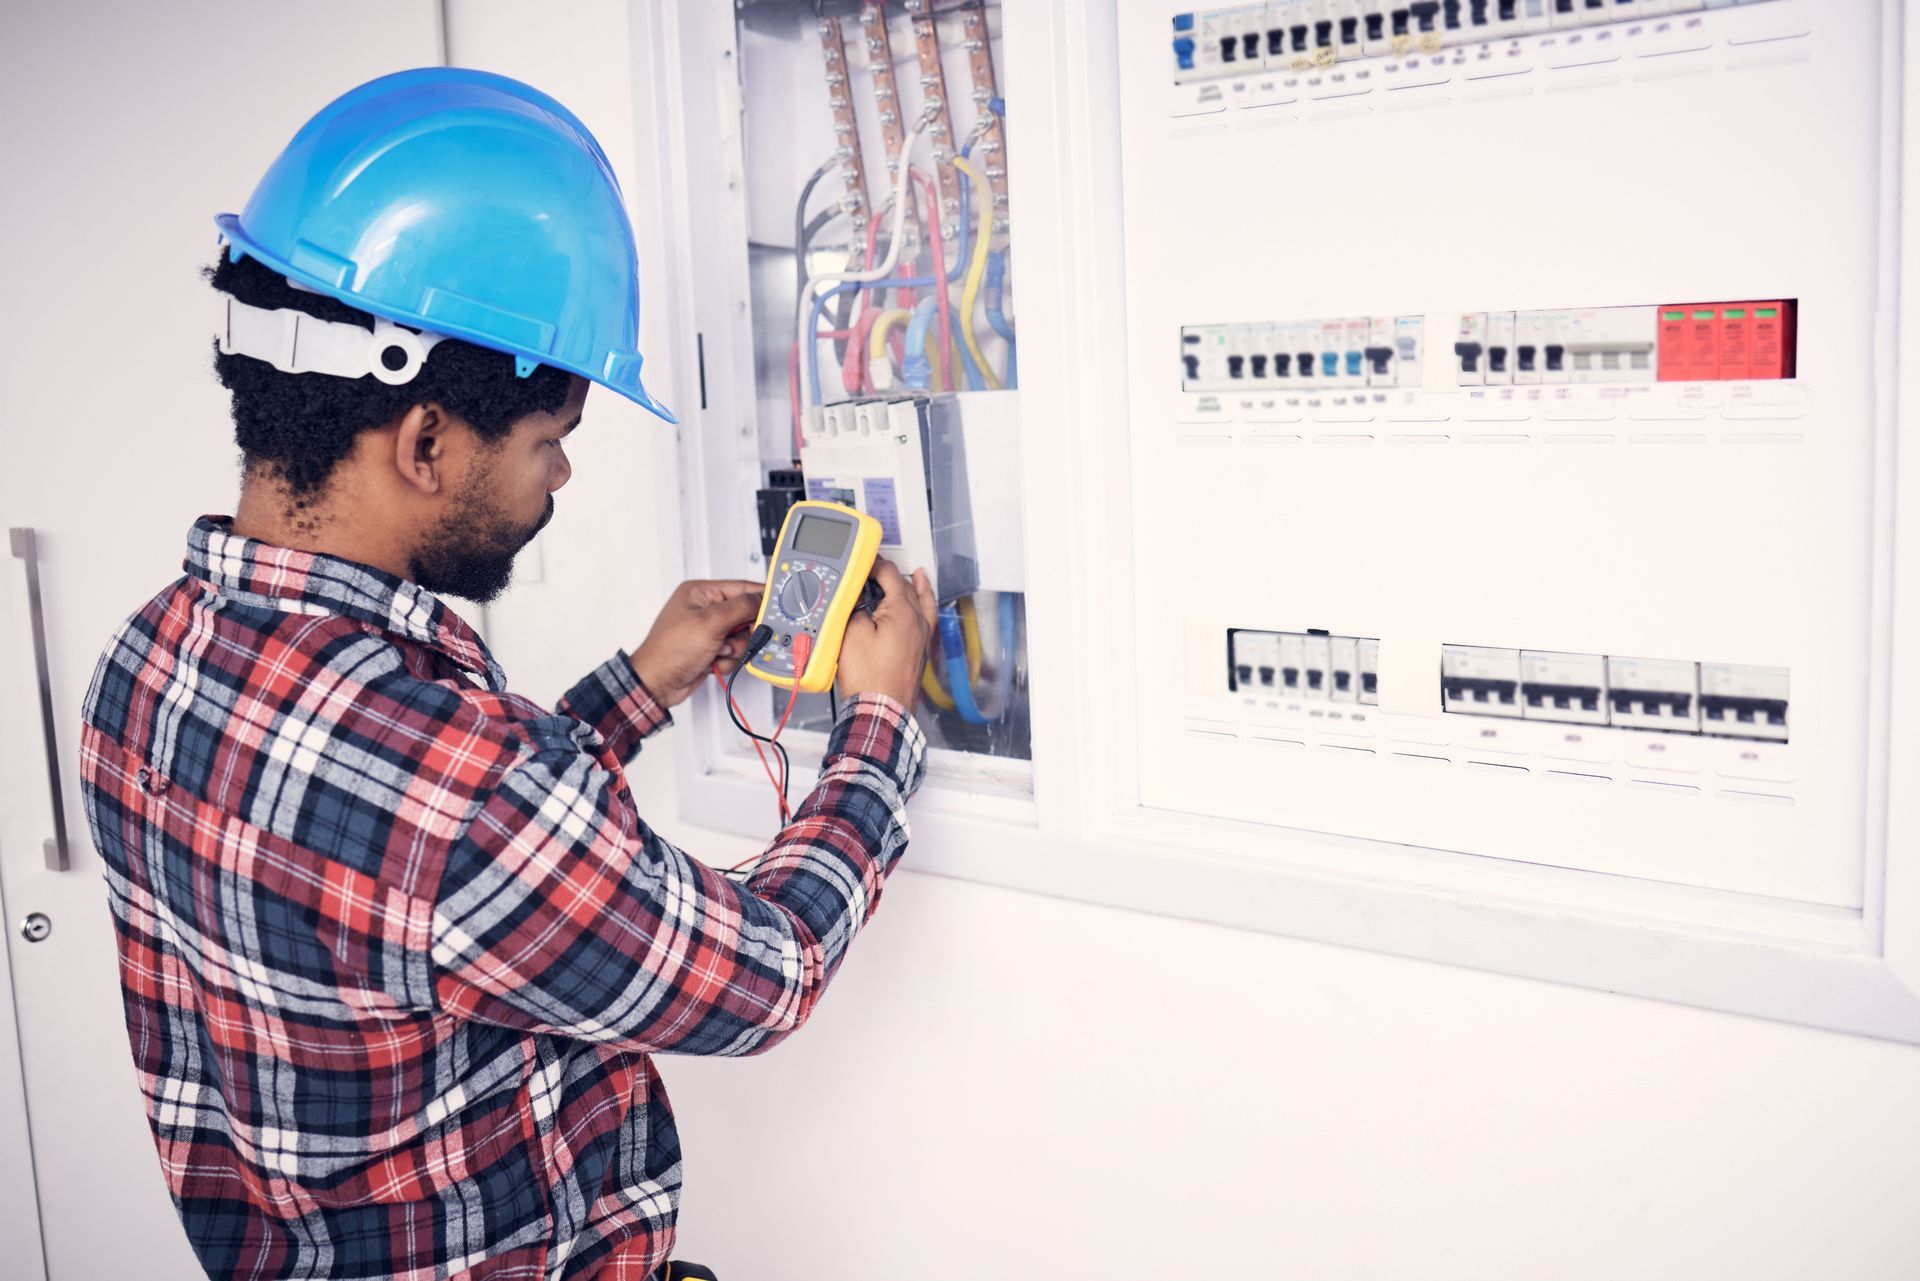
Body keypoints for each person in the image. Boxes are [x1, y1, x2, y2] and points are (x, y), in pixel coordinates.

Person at [76, 68, 936, 1280]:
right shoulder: (458, 793)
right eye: (552, 443)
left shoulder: (150, 659)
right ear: (425, 440)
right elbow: (765, 971)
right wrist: (882, 719)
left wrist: (633, 688)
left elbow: (403, 890)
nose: (562, 481)